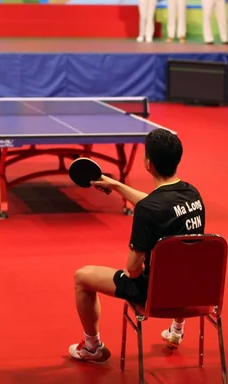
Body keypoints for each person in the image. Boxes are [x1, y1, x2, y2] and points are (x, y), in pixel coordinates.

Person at [68, 128, 206, 363]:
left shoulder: (148, 211)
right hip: (191, 290)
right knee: (181, 256)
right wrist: (118, 186)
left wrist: (132, 274)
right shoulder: (193, 194)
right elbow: (160, 207)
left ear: (148, 163)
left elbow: (132, 270)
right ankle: (176, 330)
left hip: (155, 295)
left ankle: (92, 347)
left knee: (82, 277)